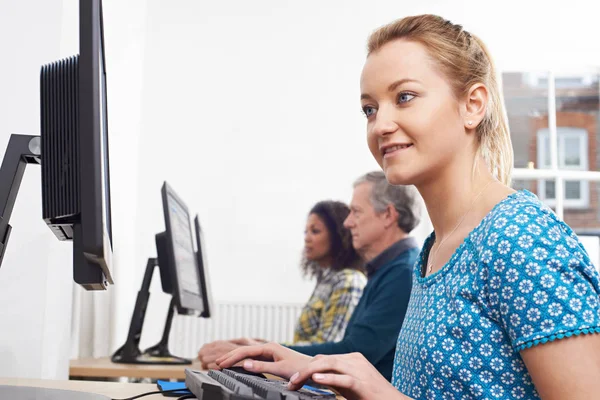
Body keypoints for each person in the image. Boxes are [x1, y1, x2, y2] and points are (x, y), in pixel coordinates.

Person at [216, 14, 600, 400]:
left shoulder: (522, 239)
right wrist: (309, 365)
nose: (380, 124)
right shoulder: (436, 249)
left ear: (472, 105)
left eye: (404, 97)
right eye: (369, 108)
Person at [203, 172, 422, 381]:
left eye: (356, 212)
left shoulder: (402, 272)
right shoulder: (387, 269)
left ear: (388, 215)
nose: (348, 223)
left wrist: (263, 352)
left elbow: (355, 354)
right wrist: (262, 348)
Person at [198, 200, 367, 368]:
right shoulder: (327, 280)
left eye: (315, 231)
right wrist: (260, 345)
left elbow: (329, 350)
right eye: (305, 231)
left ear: (338, 236)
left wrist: (262, 350)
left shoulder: (348, 281)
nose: (307, 238)